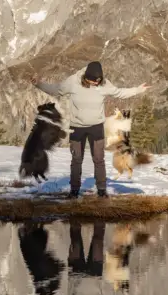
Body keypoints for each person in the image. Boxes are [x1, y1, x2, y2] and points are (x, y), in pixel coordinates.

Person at [32, 62, 148, 198]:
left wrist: (138, 89)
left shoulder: (104, 84)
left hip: (96, 127)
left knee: (99, 159)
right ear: (85, 77)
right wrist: (38, 84)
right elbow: (56, 89)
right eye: (93, 80)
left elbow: (119, 92)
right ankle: (74, 191)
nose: (96, 83)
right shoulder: (73, 82)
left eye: (98, 80)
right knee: (76, 159)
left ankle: (102, 191)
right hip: (77, 127)